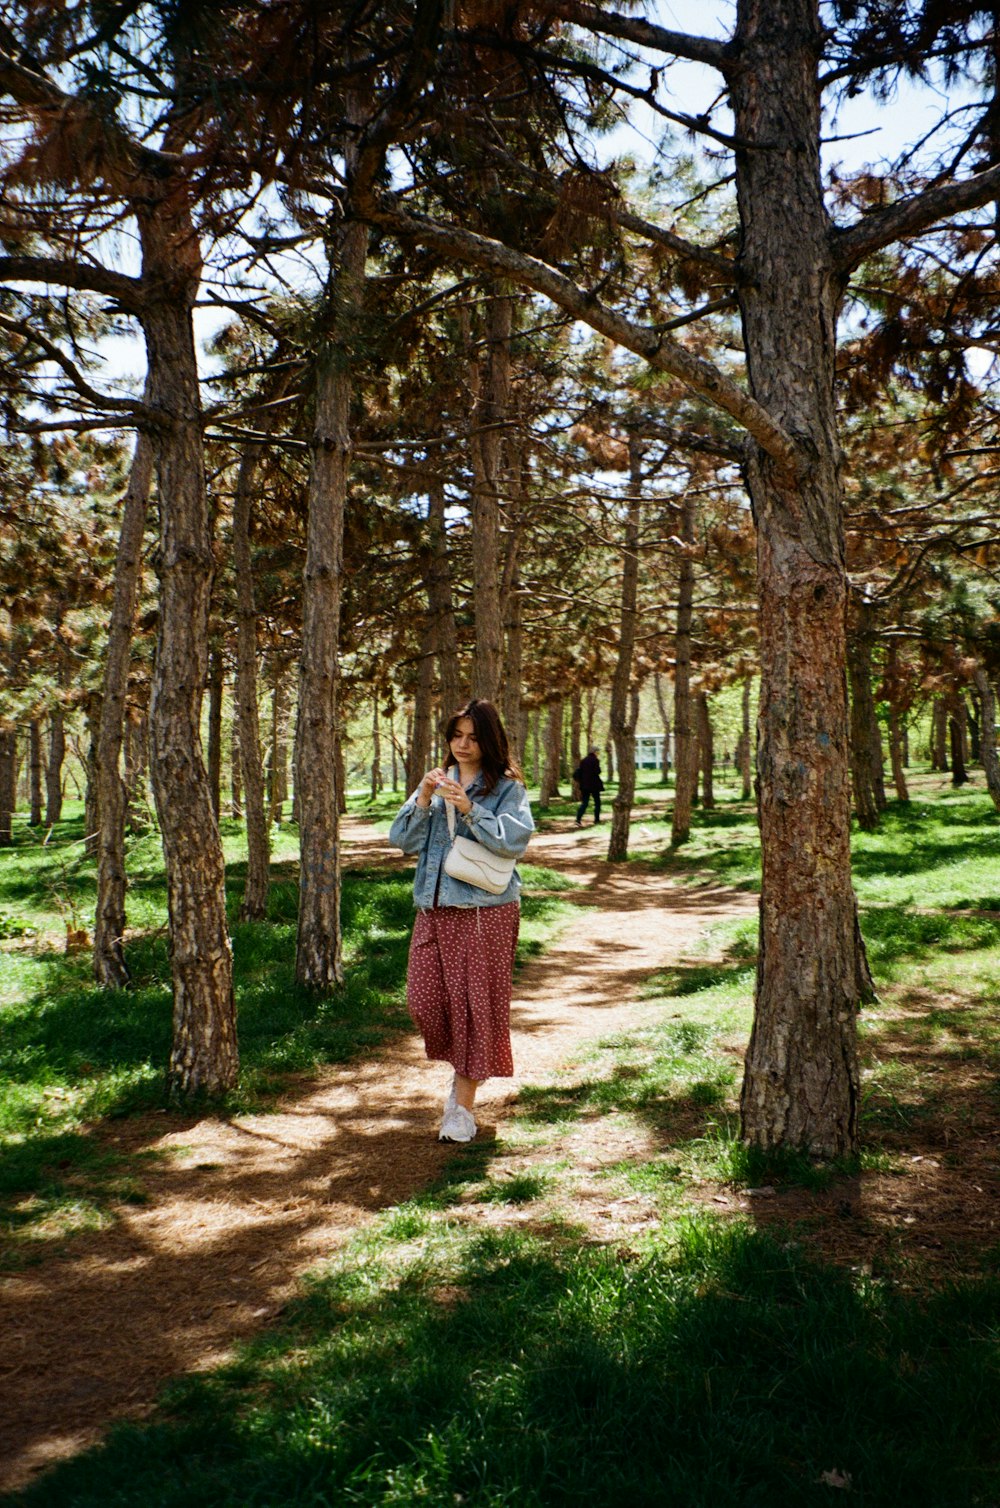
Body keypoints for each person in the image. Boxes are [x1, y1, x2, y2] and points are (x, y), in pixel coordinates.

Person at [389, 698, 534, 1143]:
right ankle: (468, 1068)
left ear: (489, 740)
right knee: (423, 1003)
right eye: (457, 736)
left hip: (483, 912)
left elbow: (515, 841)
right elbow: (401, 840)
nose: (463, 744)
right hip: (433, 910)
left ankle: (461, 1106)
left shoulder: (505, 787)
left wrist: (471, 811)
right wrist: (426, 797)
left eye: (473, 737)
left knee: (474, 1009)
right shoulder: (436, 780)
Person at [573, 747, 604, 826]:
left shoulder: (583, 760)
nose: (598, 754)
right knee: (597, 802)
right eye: (598, 752)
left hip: (584, 785)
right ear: (595, 752)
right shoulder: (595, 760)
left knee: (584, 803)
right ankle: (596, 819)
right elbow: (597, 771)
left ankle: (578, 819)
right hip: (594, 785)